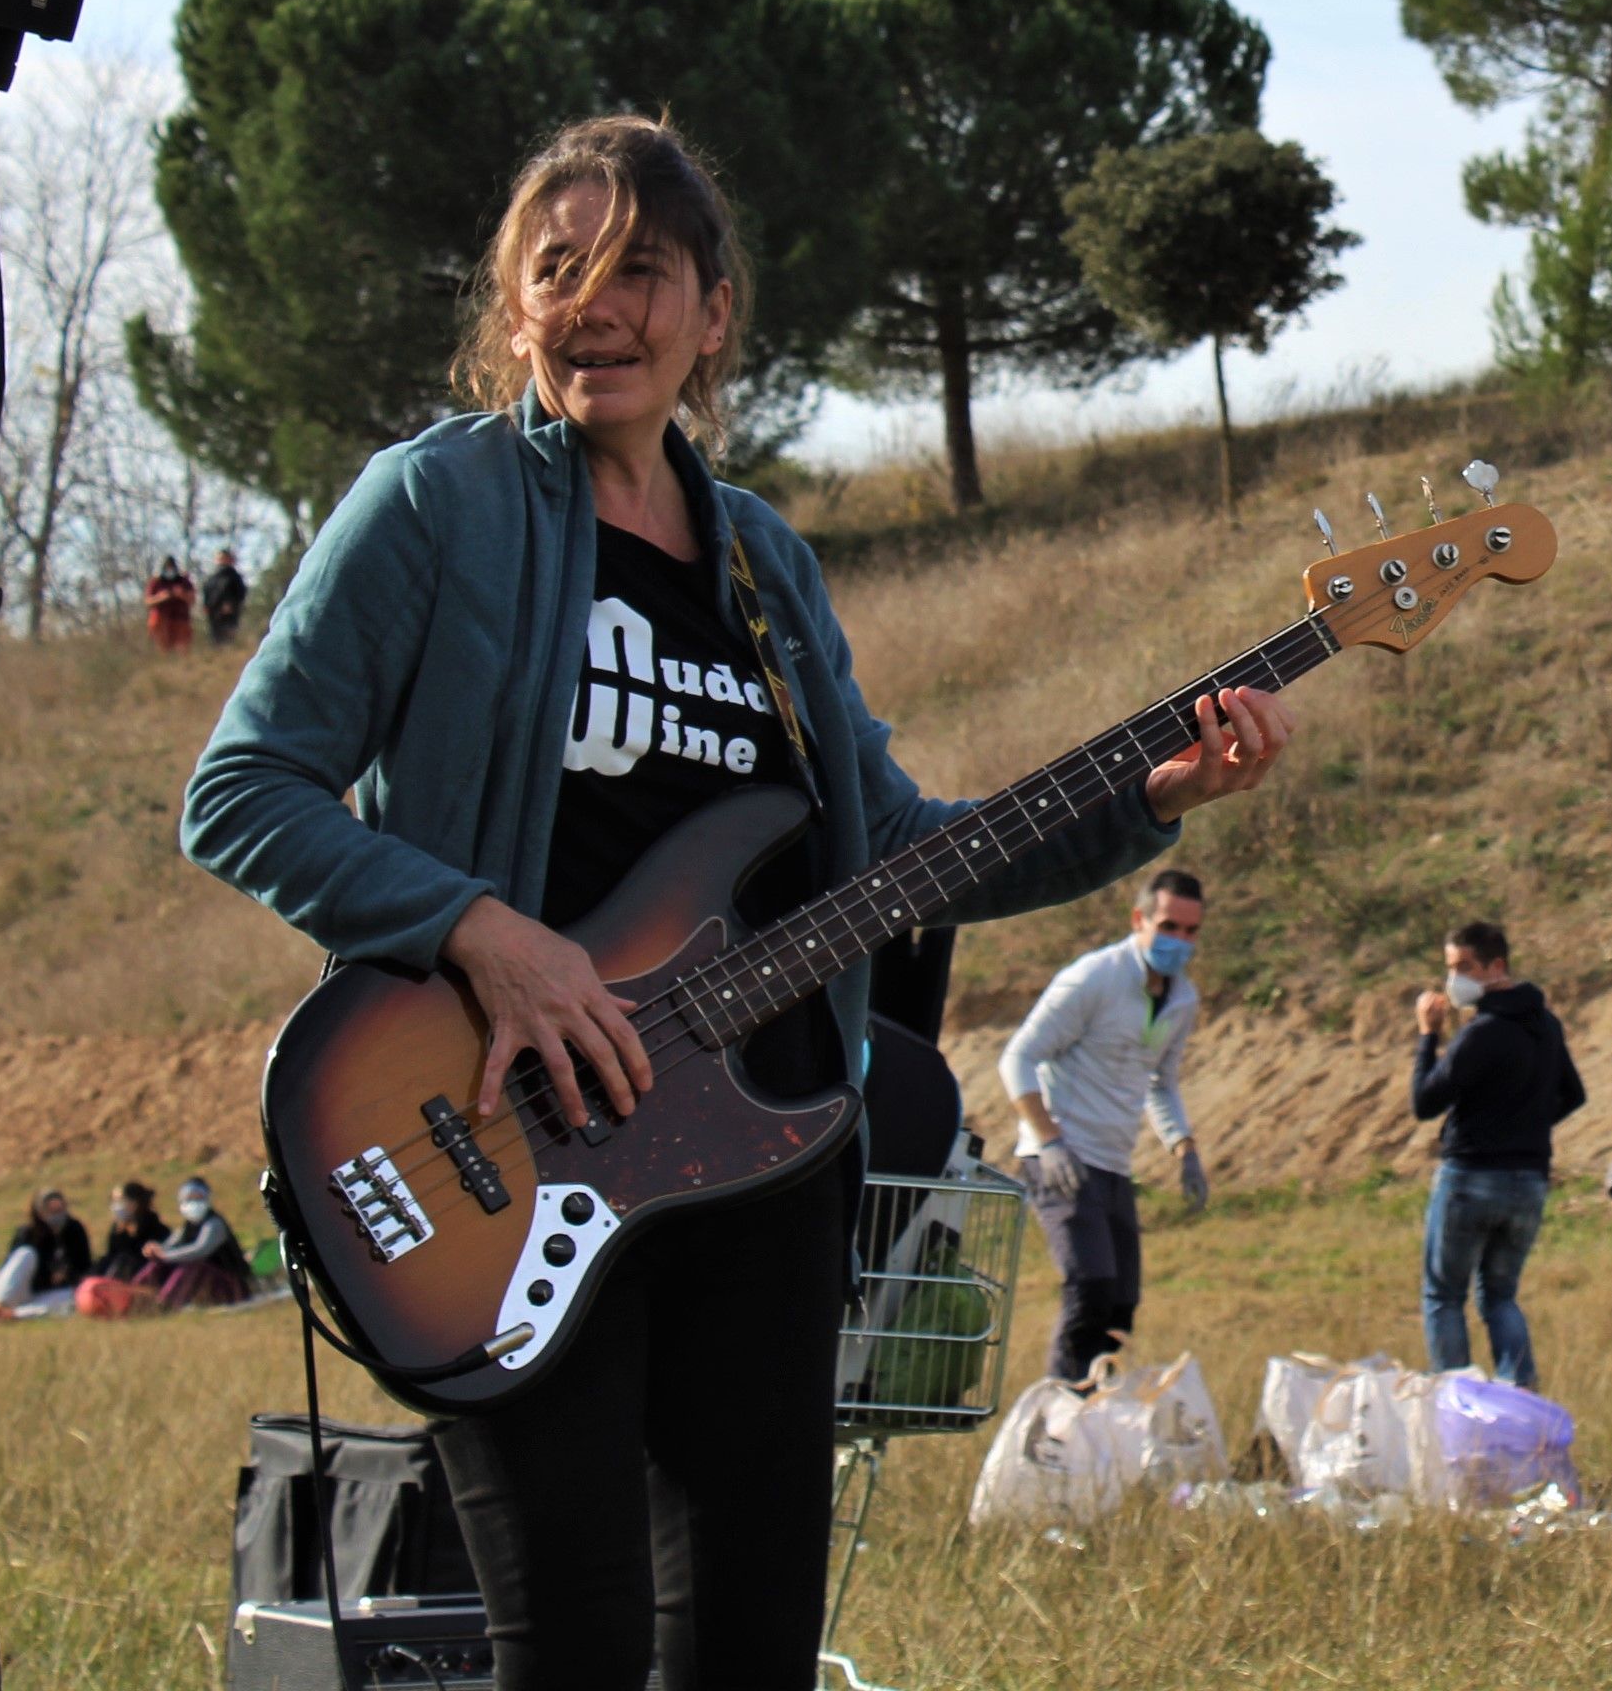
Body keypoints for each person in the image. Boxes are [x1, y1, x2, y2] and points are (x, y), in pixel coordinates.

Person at [179, 115, 1292, 1691]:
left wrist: (1153, 796)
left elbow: (901, 849)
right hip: (505, 1144)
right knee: (570, 1647)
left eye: (640, 268)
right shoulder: (438, 507)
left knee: (753, 1651)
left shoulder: (764, 563)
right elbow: (242, 792)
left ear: (714, 313)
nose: (595, 304)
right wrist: (487, 939)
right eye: (555, 270)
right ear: (514, 314)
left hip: (752, 1164)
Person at [999, 867, 1214, 1382]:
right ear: (1139, 919)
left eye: (1190, 931)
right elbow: (1018, 1058)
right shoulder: (1095, 977)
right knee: (1089, 1286)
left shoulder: (1182, 999)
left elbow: (1160, 1082)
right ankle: (1057, 1423)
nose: (1179, 941)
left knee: (1121, 1304)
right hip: (1063, 1156)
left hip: (1114, 1163)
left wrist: (1183, 1147)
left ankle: (1098, 1422)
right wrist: (1048, 1141)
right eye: (1168, 926)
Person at [1411, 920, 1586, 1390]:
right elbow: (1573, 1094)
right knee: (1500, 1296)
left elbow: (1425, 1102)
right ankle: (1519, 1389)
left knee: (1444, 1296)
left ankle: (1456, 1399)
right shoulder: (1544, 1024)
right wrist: (1524, 1126)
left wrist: (1428, 1036)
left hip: (1470, 1177)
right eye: (1451, 968)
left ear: (1496, 967)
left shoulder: (1482, 1032)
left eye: (1464, 967)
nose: (1454, 979)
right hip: (1527, 1181)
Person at [145, 1175, 254, 1309]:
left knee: (192, 1265)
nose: (193, 1203)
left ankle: (165, 1304)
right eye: (189, 1199)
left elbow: (199, 1250)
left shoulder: (214, 1224)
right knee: (157, 1263)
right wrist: (156, 1251)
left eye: (198, 1198)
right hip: (207, 1283)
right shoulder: (187, 1227)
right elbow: (168, 1247)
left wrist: (165, 1256)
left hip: (231, 1284)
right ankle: (138, 1297)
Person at [0, 1190, 91, 1314]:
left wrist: (66, 1276)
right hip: (18, 1290)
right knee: (26, 1253)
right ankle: (0, 1304)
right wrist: (47, 1275)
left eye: (60, 1208)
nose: (57, 1214)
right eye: (51, 1210)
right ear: (40, 1212)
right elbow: (13, 1268)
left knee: (74, 1296)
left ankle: (14, 1314)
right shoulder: (28, 1233)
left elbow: (84, 1265)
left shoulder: (75, 1230)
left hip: (46, 1293)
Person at [143, 557, 196, 653]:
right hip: (161, 620)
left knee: (182, 649)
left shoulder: (183, 581)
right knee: (163, 650)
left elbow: (192, 600)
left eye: (171, 568)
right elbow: (147, 601)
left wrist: (181, 594)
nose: (169, 570)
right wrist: (161, 597)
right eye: (167, 568)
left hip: (180, 619)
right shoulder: (156, 582)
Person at [202, 548, 250, 647]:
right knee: (215, 638)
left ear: (230, 560)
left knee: (227, 638)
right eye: (219, 558)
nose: (221, 560)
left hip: (229, 612)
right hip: (214, 612)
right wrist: (206, 605)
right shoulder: (212, 577)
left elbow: (241, 593)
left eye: (223, 558)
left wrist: (231, 604)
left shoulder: (234, 576)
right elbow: (206, 591)